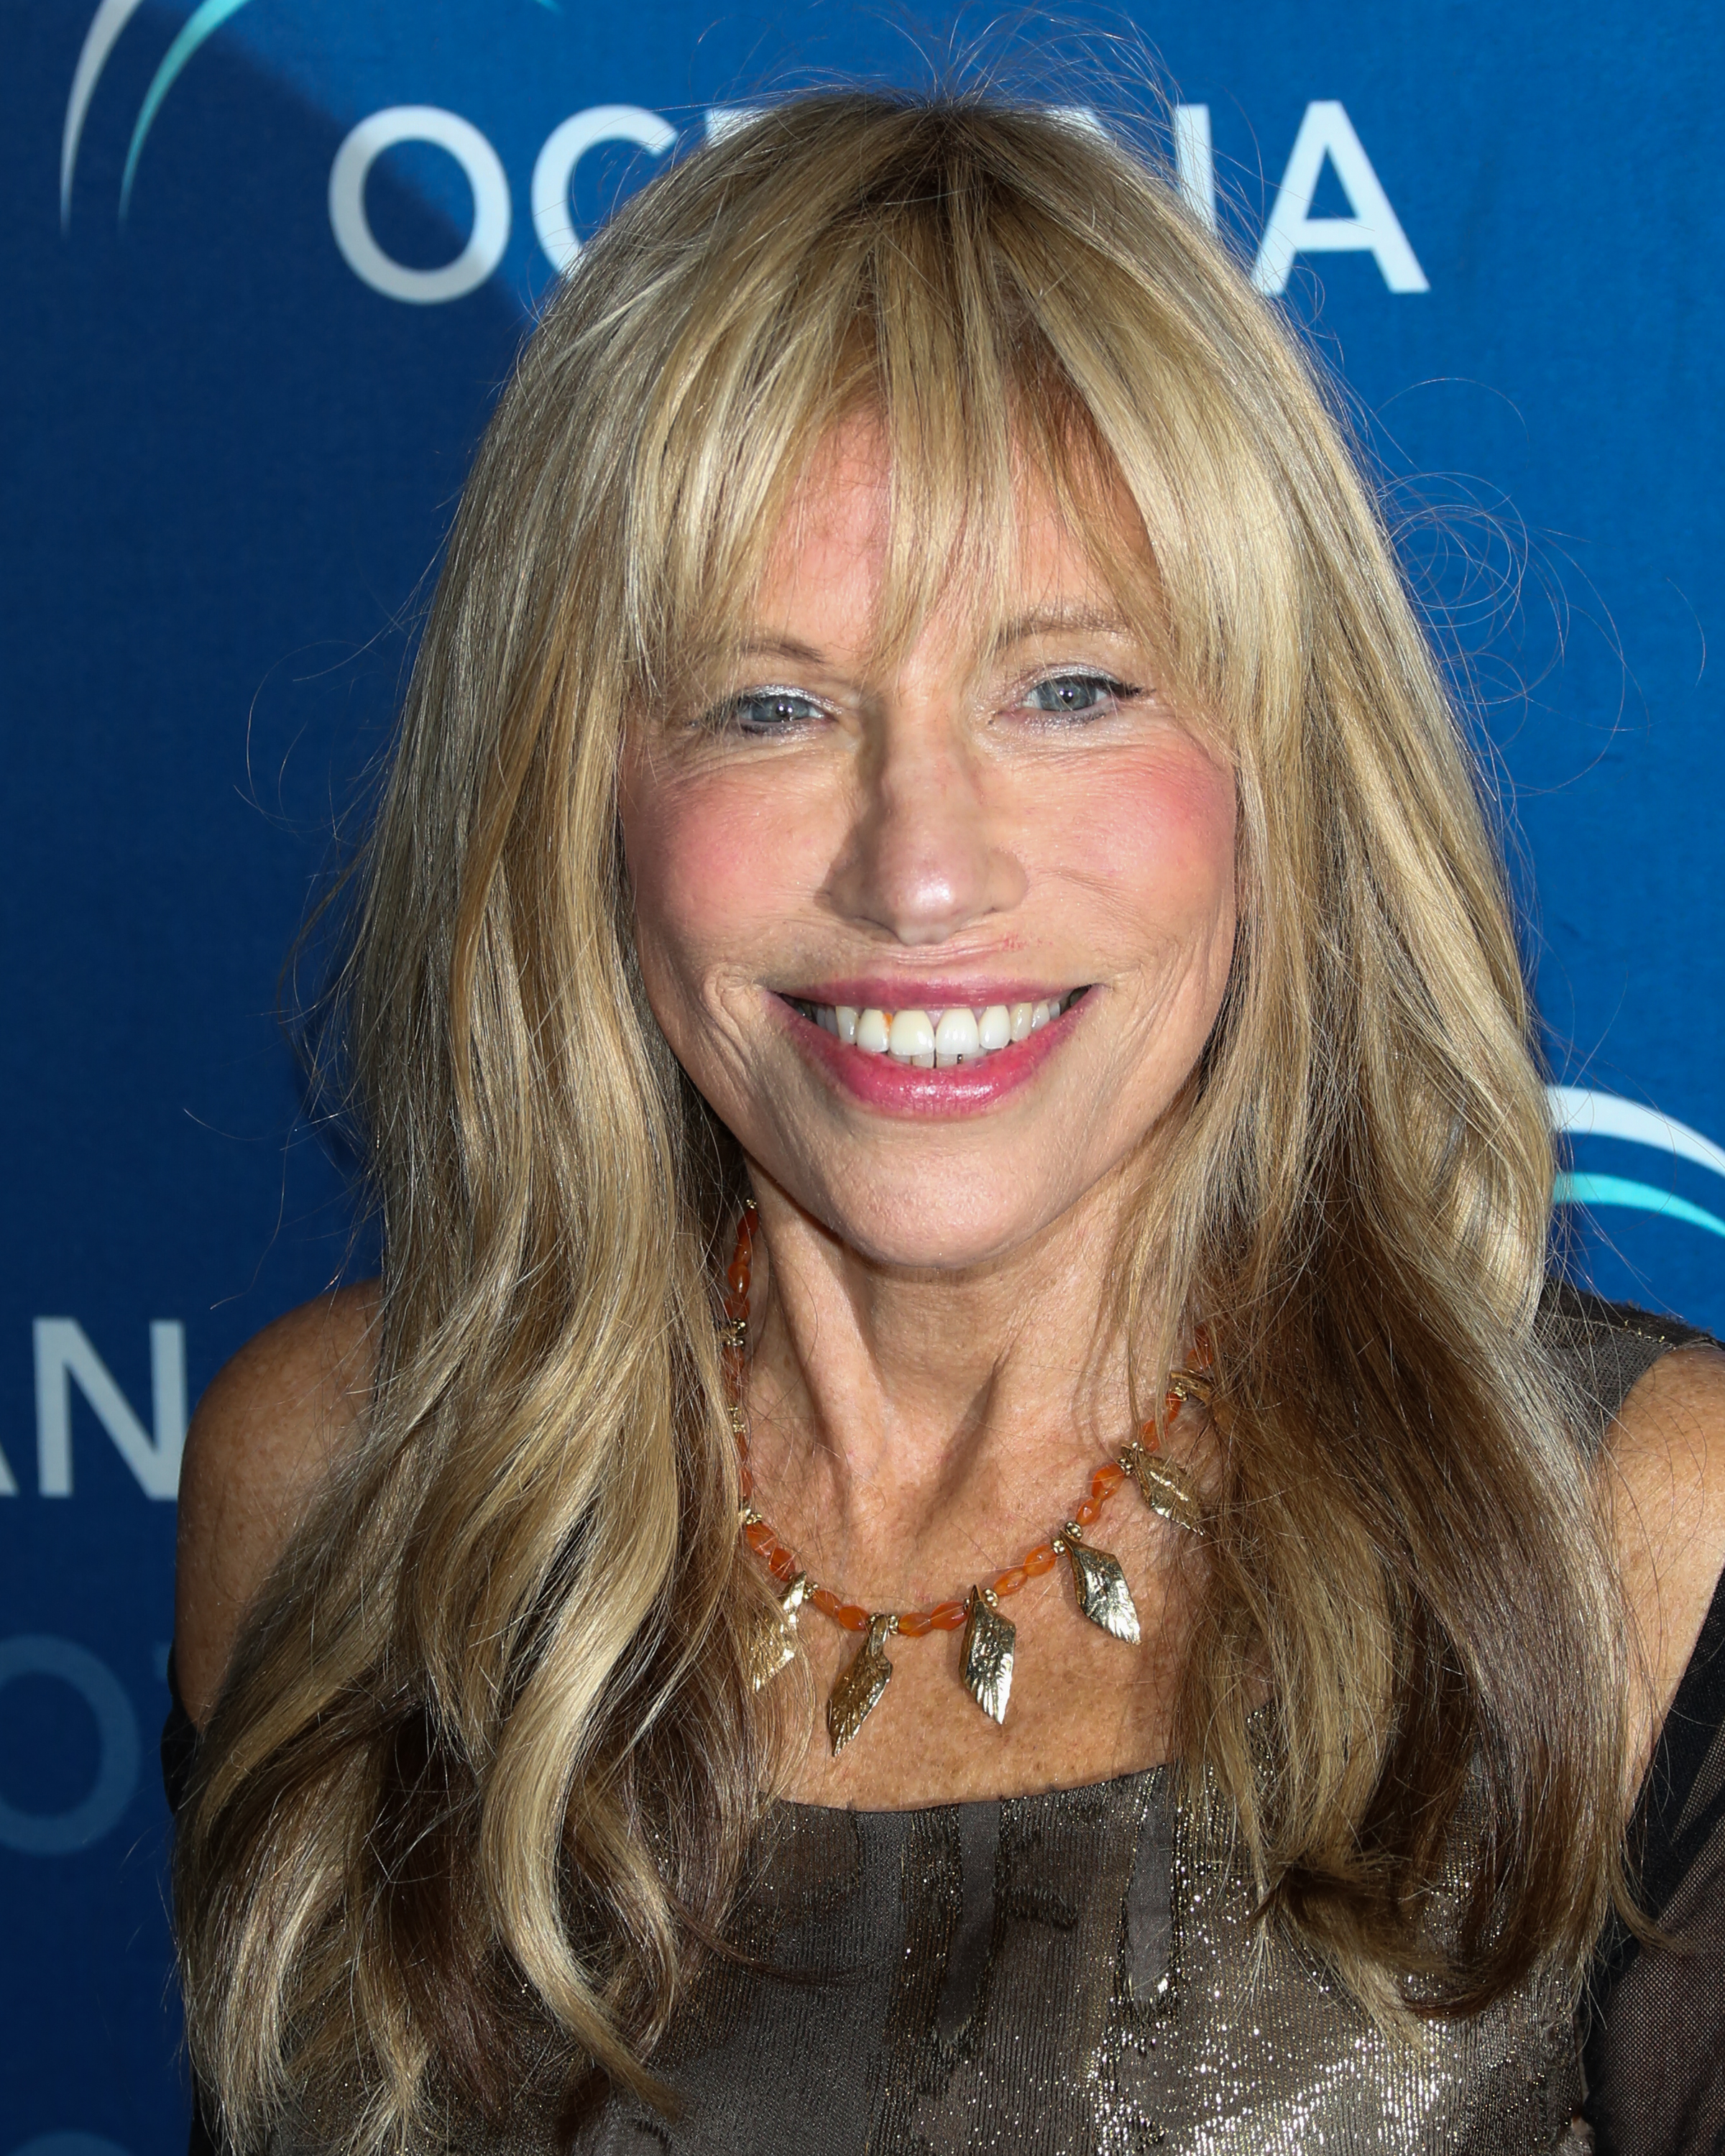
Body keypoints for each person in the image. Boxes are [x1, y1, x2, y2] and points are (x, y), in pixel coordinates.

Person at [165, 91, 1725, 2154]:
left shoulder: (1636, 1539)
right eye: (773, 706)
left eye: (1068, 689)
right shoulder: (335, 1497)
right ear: (579, 800)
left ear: (1280, 775)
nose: (919, 875)